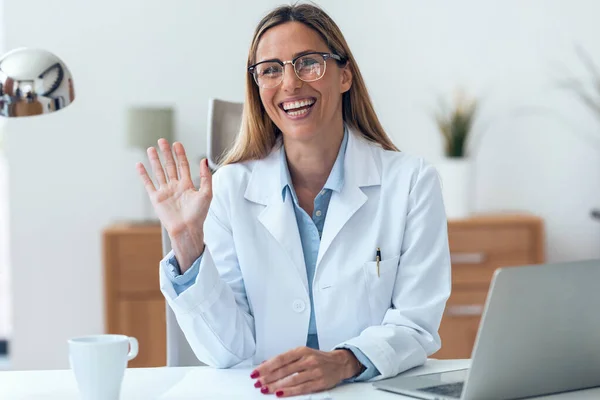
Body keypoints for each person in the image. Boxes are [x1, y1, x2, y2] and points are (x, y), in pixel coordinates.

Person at [136, 3, 451, 397]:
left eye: (308, 63)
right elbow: (228, 352)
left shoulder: (411, 182)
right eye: (270, 69)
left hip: (372, 392)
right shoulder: (230, 189)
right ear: (258, 87)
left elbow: (416, 324)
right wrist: (185, 241)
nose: (290, 83)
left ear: (344, 75)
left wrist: (342, 361)